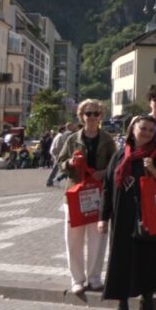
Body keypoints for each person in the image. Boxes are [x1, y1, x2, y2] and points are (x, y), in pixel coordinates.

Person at [99, 115, 156, 310]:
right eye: (143, 128)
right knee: (121, 262)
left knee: (147, 261)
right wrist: (103, 217)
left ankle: (147, 306)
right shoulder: (119, 155)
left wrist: (155, 171)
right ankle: (122, 308)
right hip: (122, 216)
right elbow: (108, 187)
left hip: (147, 216)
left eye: (151, 130)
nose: (147, 133)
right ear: (133, 130)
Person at [59, 99, 117, 297]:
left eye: (96, 114)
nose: (92, 117)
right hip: (75, 193)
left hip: (98, 194)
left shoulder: (107, 139)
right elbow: (60, 163)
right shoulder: (72, 139)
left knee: (97, 238)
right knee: (73, 238)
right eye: (88, 114)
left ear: (101, 116)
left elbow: (115, 164)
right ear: (81, 116)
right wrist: (70, 163)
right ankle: (77, 279)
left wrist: (104, 172)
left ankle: (94, 277)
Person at [46, 123, 76, 188]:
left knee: (61, 168)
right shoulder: (62, 135)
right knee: (58, 168)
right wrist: (62, 154)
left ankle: (54, 180)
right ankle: (51, 181)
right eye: (72, 126)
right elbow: (59, 146)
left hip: (58, 153)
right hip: (59, 154)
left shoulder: (60, 135)